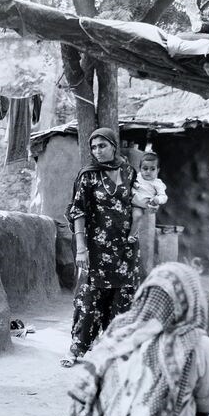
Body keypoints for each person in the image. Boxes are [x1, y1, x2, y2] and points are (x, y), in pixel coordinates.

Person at [58, 262, 209, 416]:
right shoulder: (198, 344)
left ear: (145, 295)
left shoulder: (118, 333)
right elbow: (205, 409)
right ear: (193, 300)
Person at [61, 127, 140, 367]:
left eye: (102, 146)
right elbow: (78, 212)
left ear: (113, 146)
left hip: (125, 249)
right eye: (94, 147)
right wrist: (81, 249)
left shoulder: (129, 172)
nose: (97, 151)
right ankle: (77, 349)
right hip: (96, 249)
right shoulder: (88, 176)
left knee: (122, 298)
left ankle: (116, 350)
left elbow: (137, 203)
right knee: (90, 298)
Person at [129, 151, 168, 243]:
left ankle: (132, 235)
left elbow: (164, 196)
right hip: (129, 201)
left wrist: (158, 200)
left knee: (137, 216)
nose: (148, 172)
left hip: (140, 206)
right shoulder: (137, 177)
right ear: (140, 169)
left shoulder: (157, 183)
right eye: (145, 168)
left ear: (158, 170)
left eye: (152, 169)